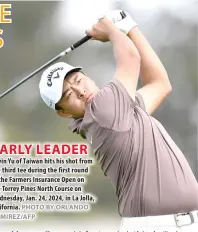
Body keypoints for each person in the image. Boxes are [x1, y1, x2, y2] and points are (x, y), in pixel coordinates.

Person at [39, 10, 198, 232]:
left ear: (88, 77)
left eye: (78, 80)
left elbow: (160, 84)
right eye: (68, 95)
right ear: (63, 112)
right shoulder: (102, 113)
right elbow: (131, 58)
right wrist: (112, 32)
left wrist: (130, 27)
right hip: (155, 225)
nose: (80, 91)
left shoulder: (120, 112)